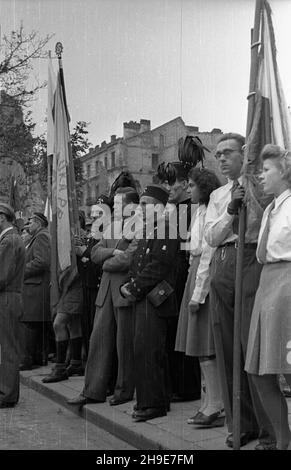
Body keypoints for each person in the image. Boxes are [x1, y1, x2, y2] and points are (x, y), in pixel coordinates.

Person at [204, 133, 276, 449]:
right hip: (223, 264)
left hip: (249, 260)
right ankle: (240, 423)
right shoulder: (219, 195)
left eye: (228, 152)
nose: (221, 158)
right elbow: (210, 235)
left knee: (252, 345)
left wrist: (250, 200)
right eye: (217, 154)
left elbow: (267, 226)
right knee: (227, 346)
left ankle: (269, 429)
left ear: (244, 154)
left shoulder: (260, 185)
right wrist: (232, 209)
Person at [67, 188, 140, 406]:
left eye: (118, 204)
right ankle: (92, 390)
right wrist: (111, 254)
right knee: (98, 341)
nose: (114, 208)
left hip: (123, 291)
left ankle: (124, 390)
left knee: (124, 345)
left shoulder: (140, 226)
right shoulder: (110, 227)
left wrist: (107, 261)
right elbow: (95, 253)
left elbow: (129, 258)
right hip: (105, 291)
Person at [245, 144, 291, 450]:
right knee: (261, 371)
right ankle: (283, 440)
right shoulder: (271, 209)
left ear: (284, 172)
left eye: (267, 170)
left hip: (288, 284)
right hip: (267, 285)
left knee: (288, 366)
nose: (261, 176)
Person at [120, 184, 180, 422]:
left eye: (145, 204)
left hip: (155, 299)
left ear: (159, 206)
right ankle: (151, 401)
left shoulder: (167, 229)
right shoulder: (151, 229)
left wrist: (133, 288)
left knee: (149, 352)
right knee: (143, 350)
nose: (141, 209)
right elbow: (137, 263)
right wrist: (129, 282)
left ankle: (153, 404)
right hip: (144, 298)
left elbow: (158, 266)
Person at [175, 167, 224, 427]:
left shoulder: (211, 210)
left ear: (204, 187)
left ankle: (216, 403)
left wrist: (198, 292)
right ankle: (208, 402)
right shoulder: (200, 210)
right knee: (198, 345)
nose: (189, 189)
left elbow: (207, 252)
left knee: (205, 344)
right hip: (194, 271)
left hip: (202, 273)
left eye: (192, 185)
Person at [42, 212, 86, 383]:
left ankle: (60, 367)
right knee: (72, 325)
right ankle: (75, 362)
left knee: (59, 323)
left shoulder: (79, 237)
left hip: (74, 284)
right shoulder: (63, 236)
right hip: (66, 286)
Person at [0, 202, 25, 407]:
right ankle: (6, 391)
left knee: (7, 347)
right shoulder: (13, 239)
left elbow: (2, 276)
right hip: (10, 297)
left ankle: (7, 394)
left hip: (6, 298)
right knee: (8, 346)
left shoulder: (8, 241)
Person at [20, 213, 51, 370]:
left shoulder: (42, 236)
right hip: (34, 287)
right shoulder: (38, 236)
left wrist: (20, 271)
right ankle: (36, 357)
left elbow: (42, 261)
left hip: (36, 287)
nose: (27, 225)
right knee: (33, 325)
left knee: (30, 324)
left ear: (38, 223)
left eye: (30, 222)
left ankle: (27, 359)